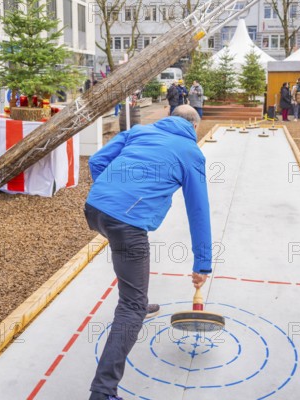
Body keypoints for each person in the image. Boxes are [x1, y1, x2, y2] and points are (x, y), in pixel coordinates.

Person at [84, 105, 212, 400]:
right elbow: (199, 210)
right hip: (124, 224)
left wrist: (111, 195)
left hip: (94, 210)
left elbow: (97, 160)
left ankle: (138, 302)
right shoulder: (190, 151)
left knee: (128, 266)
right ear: (194, 127)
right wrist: (202, 263)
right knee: (130, 305)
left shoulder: (139, 131)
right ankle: (102, 392)